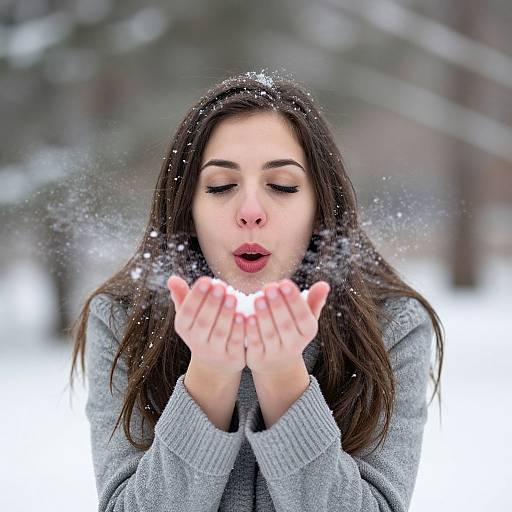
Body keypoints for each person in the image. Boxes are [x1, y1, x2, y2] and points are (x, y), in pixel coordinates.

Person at [69, 70, 444, 511]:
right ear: (188, 208)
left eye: (282, 186)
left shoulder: (392, 326)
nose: (250, 212)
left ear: (320, 205)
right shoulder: (123, 320)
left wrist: (284, 379)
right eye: (221, 186)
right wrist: (207, 377)